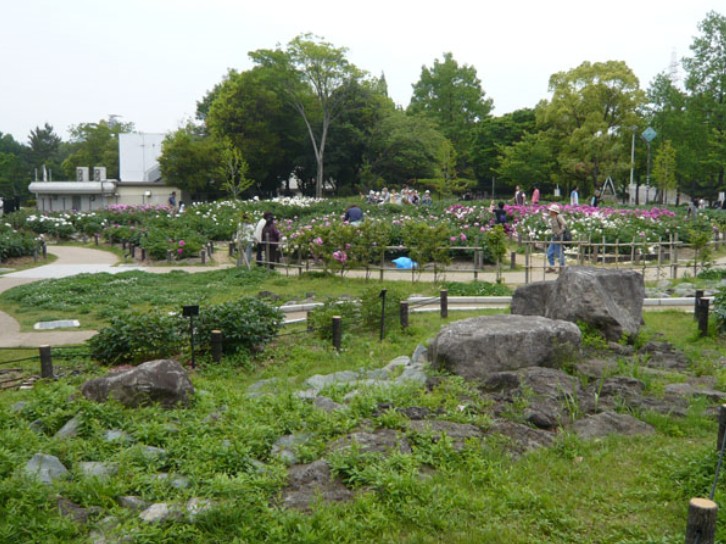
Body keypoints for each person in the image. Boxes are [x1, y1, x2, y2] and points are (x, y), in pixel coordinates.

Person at [546, 204, 567, 273]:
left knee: (559, 252)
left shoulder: (559, 216)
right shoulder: (553, 217)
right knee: (549, 252)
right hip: (554, 237)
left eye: (550, 210)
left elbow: (565, 224)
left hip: (559, 237)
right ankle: (552, 266)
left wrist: (560, 232)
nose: (549, 211)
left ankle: (562, 267)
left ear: (554, 211)